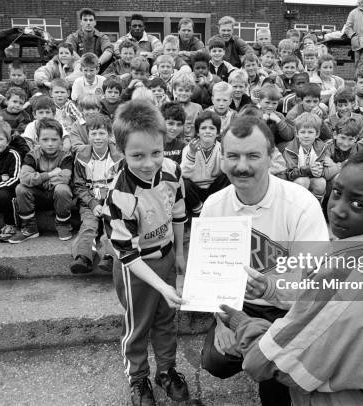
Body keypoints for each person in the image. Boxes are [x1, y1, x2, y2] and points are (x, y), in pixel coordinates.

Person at [217, 144, 363, 406]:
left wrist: (242, 323)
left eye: (357, 203)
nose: (338, 209)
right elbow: (327, 298)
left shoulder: (350, 269)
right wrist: (271, 290)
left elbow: (274, 363)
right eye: (338, 192)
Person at [199, 115, 329, 406]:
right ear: (222, 157)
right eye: (233, 155)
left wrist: (272, 289)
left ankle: (274, 373)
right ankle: (259, 355)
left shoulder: (301, 205)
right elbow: (209, 277)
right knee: (216, 361)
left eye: (253, 156)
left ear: (272, 157)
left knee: (277, 373)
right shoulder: (214, 206)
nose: (241, 166)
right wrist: (221, 323)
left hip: (289, 309)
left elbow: (315, 285)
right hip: (238, 306)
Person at [103, 100, 190, 406]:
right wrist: (162, 286)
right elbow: (126, 254)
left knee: (167, 318)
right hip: (136, 266)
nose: (149, 162)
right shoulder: (120, 194)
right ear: (121, 150)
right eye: (137, 155)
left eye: (157, 152)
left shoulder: (172, 171)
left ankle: (166, 370)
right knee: (138, 325)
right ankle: (138, 377)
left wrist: (179, 253)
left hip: (165, 256)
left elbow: (178, 213)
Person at [10, 118, 74, 243]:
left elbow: (65, 178)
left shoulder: (66, 156)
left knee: (62, 189)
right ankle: (30, 227)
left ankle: (63, 224)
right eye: (45, 140)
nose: (50, 144)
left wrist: (37, 179)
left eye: (54, 139)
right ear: (37, 140)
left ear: (61, 140)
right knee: (21, 189)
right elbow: (23, 178)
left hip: (58, 197)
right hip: (38, 196)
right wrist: (49, 175)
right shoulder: (32, 155)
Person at [70, 114, 120, 274]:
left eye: (102, 133)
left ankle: (110, 256)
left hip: (113, 201)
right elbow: (78, 185)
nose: (98, 138)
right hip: (89, 202)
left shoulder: (119, 156)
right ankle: (84, 257)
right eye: (93, 134)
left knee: (113, 225)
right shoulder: (81, 155)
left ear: (109, 135)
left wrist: (108, 203)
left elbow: (122, 184)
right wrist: (92, 204)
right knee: (88, 226)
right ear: (87, 135)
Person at [181, 111, 230, 215]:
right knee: (184, 183)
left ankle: (217, 208)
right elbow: (184, 173)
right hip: (195, 191)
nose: (207, 131)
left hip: (213, 189)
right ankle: (198, 210)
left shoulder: (221, 147)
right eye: (203, 128)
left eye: (212, 128)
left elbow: (225, 170)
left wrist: (223, 154)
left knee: (227, 177)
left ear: (217, 133)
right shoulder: (189, 148)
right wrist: (192, 154)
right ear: (198, 132)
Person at [282, 112, 335, 201]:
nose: (306, 136)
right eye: (303, 132)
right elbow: (290, 174)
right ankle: (298, 206)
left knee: (321, 182)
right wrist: (308, 169)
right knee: (303, 181)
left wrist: (322, 169)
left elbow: (323, 167)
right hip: (294, 181)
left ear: (317, 134)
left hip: (312, 178)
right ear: (297, 133)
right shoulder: (290, 149)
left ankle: (316, 207)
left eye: (310, 132)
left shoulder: (322, 147)